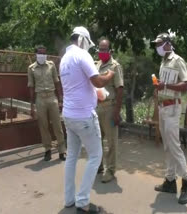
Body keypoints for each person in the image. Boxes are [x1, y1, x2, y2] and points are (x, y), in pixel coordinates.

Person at [60, 26, 114, 213]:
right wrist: (110, 75)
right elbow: (98, 81)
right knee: (95, 156)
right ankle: (82, 202)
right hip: (83, 117)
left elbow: (81, 85)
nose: (91, 49)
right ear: (82, 39)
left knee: (72, 157)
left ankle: (69, 199)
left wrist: (97, 92)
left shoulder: (64, 59)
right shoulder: (82, 55)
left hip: (68, 115)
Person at [151, 33, 187, 205]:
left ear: (168, 44)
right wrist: (159, 87)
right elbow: (165, 84)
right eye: (156, 44)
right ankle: (169, 181)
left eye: (159, 44)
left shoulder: (178, 60)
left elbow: (186, 85)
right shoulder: (164, 61)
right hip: (163, 107)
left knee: (174, 146)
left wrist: (165, 85)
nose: (157, 47)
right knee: (167, 145)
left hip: (173, 108)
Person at [27, 45, 66, 161]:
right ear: (36, 54)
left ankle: (62, 151)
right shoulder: (31, 68)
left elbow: (57, 81)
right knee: (43, 126)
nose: (42, 55)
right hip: (40, 98)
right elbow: (31, 87)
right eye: (40, 53)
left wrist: (60, 99)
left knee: (57, 124)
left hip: (51, 97)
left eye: (44, 53)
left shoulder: (51, 65)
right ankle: (47, 150)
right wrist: (32, 106)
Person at [96, 38, 124, 183]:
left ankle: (111, 170)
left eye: (104, 49)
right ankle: (99, 166)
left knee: (111, 141)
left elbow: (120, 90)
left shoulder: (115, 66)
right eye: (100, 49)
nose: (102, 52)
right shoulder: (96, 65)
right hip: (97, 108)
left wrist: (116, 112)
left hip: (110, 107)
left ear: (110, 50)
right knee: (97, 139)